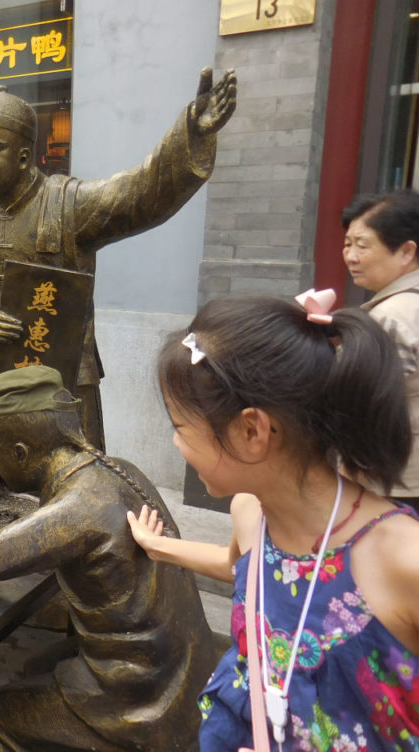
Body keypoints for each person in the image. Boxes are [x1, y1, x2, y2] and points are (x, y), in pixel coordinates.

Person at [0, 69, 237, 474]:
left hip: (62, 387)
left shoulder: (70, 205)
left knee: (69, 501)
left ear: (22, 154)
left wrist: (191, 132)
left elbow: (141, 192)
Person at [158, 293, 419, 751]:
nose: (176, 443)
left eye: (181, 427)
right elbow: (237, 567)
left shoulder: (402, 559)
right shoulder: (250, 513)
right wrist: (156, 546)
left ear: (252, 431)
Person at [0, 365, 216, 752]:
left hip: (146, 700)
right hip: (177, 667)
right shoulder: (116, 470)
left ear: (22, 453)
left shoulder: (80, 506)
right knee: (35, 666)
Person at [342, 189, 419, 503]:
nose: (350, 256)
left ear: (406, 251)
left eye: (362, 244)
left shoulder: (392, 316)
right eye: (347, 244)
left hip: (393, 483)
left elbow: (362, 405)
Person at [127, 492, 260, 583]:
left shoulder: (250, 505)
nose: (180, 448)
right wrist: (155, 545)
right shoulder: (248, 506)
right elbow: (239, 567)